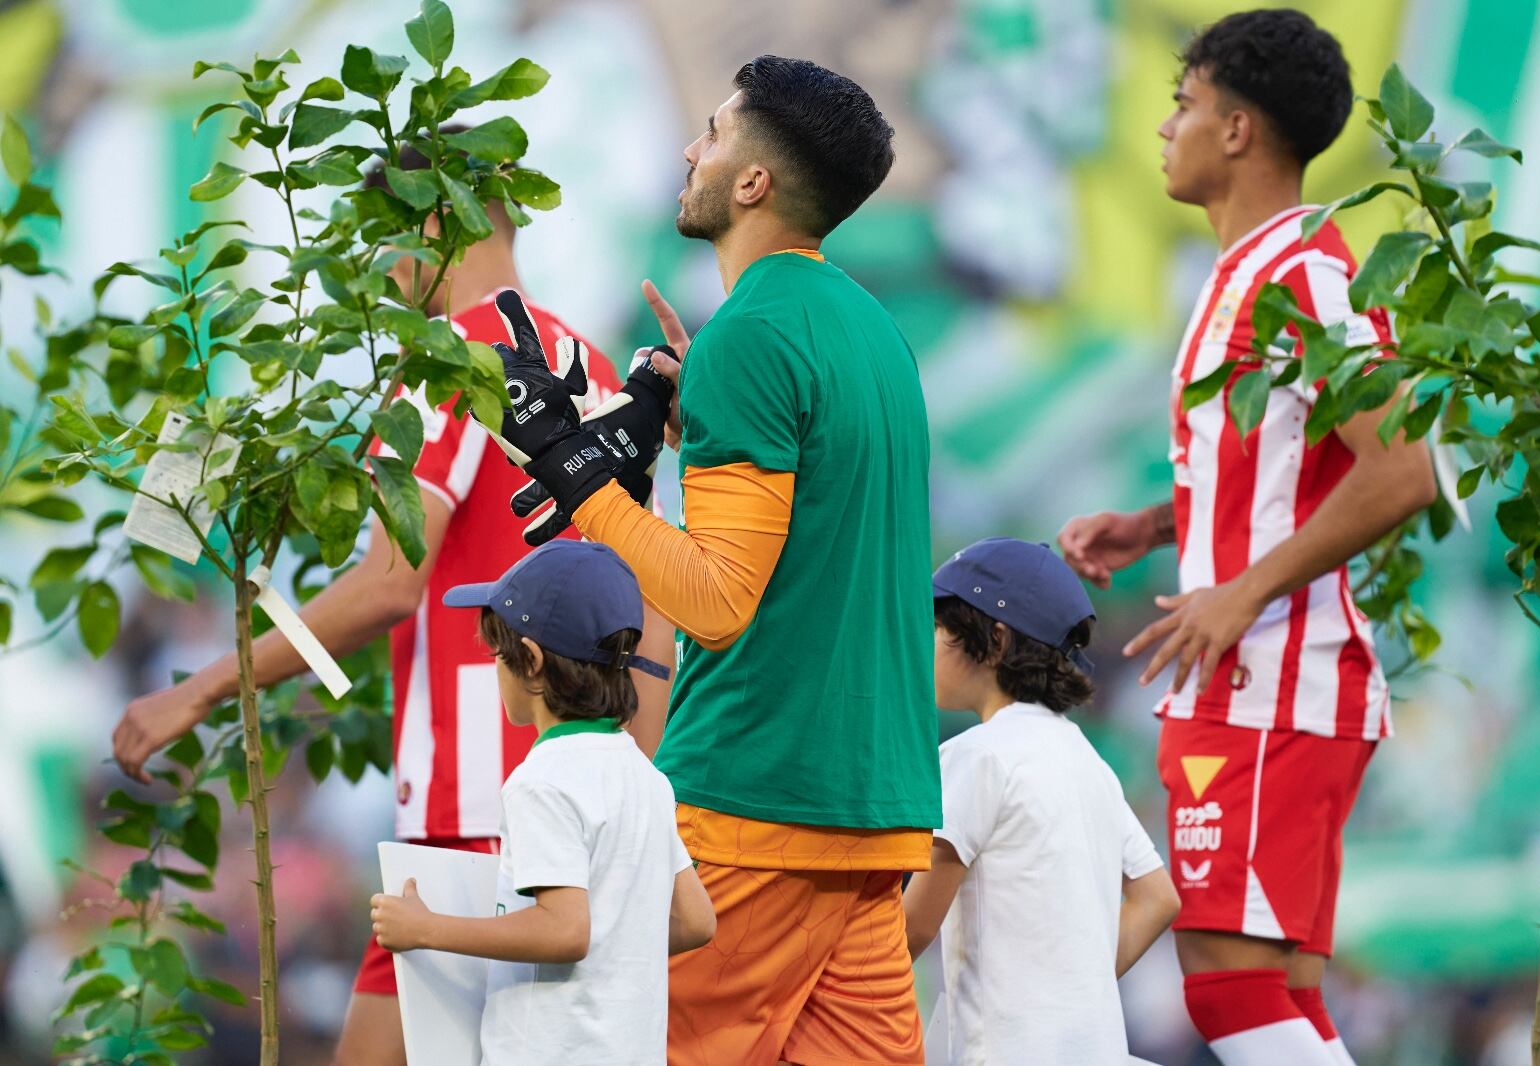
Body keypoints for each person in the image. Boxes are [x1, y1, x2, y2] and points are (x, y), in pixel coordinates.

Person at [108, 131, 672, 1066]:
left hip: (467, 813)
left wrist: (204, 688)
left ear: (437, 223)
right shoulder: (597, 370)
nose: (383, 272)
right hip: (573, 791)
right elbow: (638, 602)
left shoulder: (451, 360)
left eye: (386, 242)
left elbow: (388, 583)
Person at [476, 55, 940, 1066]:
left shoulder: (750, 337)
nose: (691, 149)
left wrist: (576, 477)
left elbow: (719, 602)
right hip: (874, 810)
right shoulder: (874, 333)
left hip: (753, 803)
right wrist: (700, 426)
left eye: (715, 135)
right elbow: (814, 525)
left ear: (753, 183)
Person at [1057, 10, 1437, 1065]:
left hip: (1270, 673)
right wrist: (1157, 524)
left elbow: (1403, 466)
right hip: (1264, 672)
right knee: (1280, 994)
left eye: (1182, 105)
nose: (1163, 127)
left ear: (1236, 130)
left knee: (1227, 994)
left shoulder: (1300, 274)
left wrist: (1239, 591)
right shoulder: (1248, 268)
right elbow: (1285, 463)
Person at [370, 540, 715, 1065]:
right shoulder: (644, 775)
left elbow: (564, 929)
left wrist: (425, 929)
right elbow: (695, 922)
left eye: (497, 656)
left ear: (529, 661)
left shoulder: (542, 781)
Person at [902, 537, 1180, 1063]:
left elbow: (913, 929)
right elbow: (1157, 896)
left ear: (996, 639)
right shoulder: (1090, 762)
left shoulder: (976, 756)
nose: (927, 641)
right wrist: (1076, 993)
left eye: (940, 628)